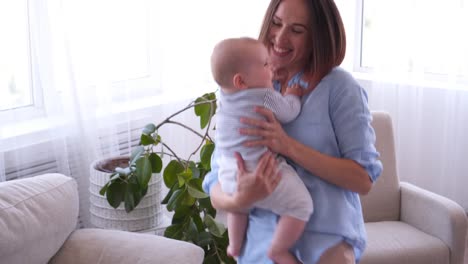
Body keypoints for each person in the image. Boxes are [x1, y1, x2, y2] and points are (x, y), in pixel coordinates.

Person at [202, 0, 383, 263]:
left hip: (324, 246)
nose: (280, 37)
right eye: (276, 23)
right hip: (259, 248)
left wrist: (287, 146)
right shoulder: (248, 84)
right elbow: (218, 180)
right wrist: (239, 199)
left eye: (297, 30)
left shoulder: (340, 88)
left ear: (317, 37)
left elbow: (362, 179)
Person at [210, 37, 313, 264]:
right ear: (241, 81)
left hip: (230, 175)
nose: (272, 69)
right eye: (266, 65)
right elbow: (289, 112)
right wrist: (293, 94)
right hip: (263, 174)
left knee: (240, 205)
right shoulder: (264, 96)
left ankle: (234, 246)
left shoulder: (224, 100)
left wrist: (265, 74)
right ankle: (278, 250)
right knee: (302, 205)